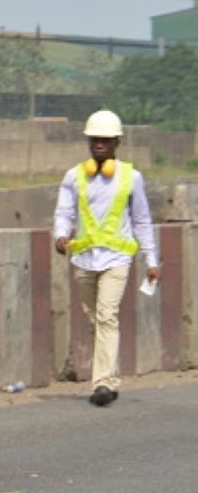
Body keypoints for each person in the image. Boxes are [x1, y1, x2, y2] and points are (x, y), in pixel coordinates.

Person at [53, 109, 159, 407]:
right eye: (94, 139)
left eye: (106, 140)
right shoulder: (74, 176)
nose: (99, 144)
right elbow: (64, 212)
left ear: (117, 143)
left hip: (117, 259)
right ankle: (110, 380)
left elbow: (142, 220)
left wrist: (152, 260)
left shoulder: (131, 177)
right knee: (94, 320)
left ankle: (100, 384)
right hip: (83, 259)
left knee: (106, 315)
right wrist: (60, 235)